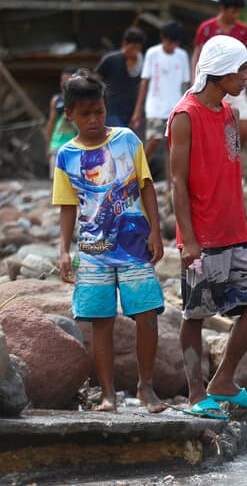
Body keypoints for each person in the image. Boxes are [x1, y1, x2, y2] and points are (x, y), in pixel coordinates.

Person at [169, 35, 247, 420]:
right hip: (202, 237)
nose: (245, 80)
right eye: (240, 71)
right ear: (219, 71)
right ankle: (193, 395)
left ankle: (223, 380)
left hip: (237, 231)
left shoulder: (229, 114)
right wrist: (188, 240)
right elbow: (177, 183)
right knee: (195, 314)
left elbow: (230, 164)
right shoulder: (184, 116)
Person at [52, 70, 166, 413]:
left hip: (134, 245)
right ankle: (108, 394)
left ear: (105, 108)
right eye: (84, 114)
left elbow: (146, 185)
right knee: (101, 321)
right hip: (93, 250)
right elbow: (68, 206)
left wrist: (156, 231)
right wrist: (63, 250)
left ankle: (146, 387)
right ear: (69, 114)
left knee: (147, 314)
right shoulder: (66, 156)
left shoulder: (127, 140)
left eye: (99, 112)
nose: (93, 120)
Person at [192, 0, 247, 148]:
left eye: (238, 12)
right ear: (222, 8)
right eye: (233, 11)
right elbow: (197, 55)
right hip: (211, 85)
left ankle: (230, 158)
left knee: (244, 129)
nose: (236, 16)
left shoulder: (242, 30)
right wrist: (196, 81)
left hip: (235, 84)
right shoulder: (207, 28)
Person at [131, 22, 191, 160]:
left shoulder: (182, 55)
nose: (172, 46)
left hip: (176, 107)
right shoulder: (153, 53)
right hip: (155, 107)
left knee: (172, 148)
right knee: (152, 141)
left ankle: (172, 182)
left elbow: (185, 84)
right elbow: (144, 81)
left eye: (175, 43)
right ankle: (137, 175)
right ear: (163, 38)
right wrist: (138, 110)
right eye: (170, 42)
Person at [95, 27, 146, 128]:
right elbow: (95, 80)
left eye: (138, 49)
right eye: (132, 48)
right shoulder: (111, 60)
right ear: (124, 44)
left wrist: (138, 111)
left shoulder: (142, 62)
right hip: (111, 110)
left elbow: (142, 87)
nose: (135, 52)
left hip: (131, 110)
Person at [44, 66, 79, 177]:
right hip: (57, 145)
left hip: (77, 146)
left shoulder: (82, 100)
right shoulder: (57, 100)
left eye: (68, 80)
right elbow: (51, 123)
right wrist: (48, 146)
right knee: (57, 181)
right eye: (62, 80)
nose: (64, 83)